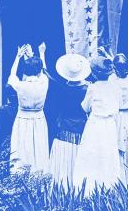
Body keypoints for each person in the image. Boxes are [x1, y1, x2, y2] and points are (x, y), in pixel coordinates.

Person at [72, 57, 121, 195]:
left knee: (91, 154)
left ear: (93, 73)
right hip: (110, 125)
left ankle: (89, 189)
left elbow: (85, 107)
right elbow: (117, 106)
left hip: (95, 124)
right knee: (107, 154)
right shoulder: (115, 86)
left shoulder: (92, 88)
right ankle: (108, 187)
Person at [46, 54, 91, 188]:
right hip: (80, 129)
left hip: (63, 130)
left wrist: (43, 55)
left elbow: (48, 77)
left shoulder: (61, 88)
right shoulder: (88, 89)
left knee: (64, 158)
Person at [7, 43, 50, 174]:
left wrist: (18, 57)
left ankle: (19, 174)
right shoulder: (44, 83)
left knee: (21, 147)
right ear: (39, 71)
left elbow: (12, 75)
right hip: (39, 119)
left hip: (22, 120)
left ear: (25, 71)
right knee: (39, 147)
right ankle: (39, 174)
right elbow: (43, 71)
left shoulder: (20, 85)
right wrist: (41, 53)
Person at [107, 53, 128, 186]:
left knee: (117, 148)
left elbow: (112, 73)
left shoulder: (112, 81)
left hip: (117, 117)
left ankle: (119, 182)